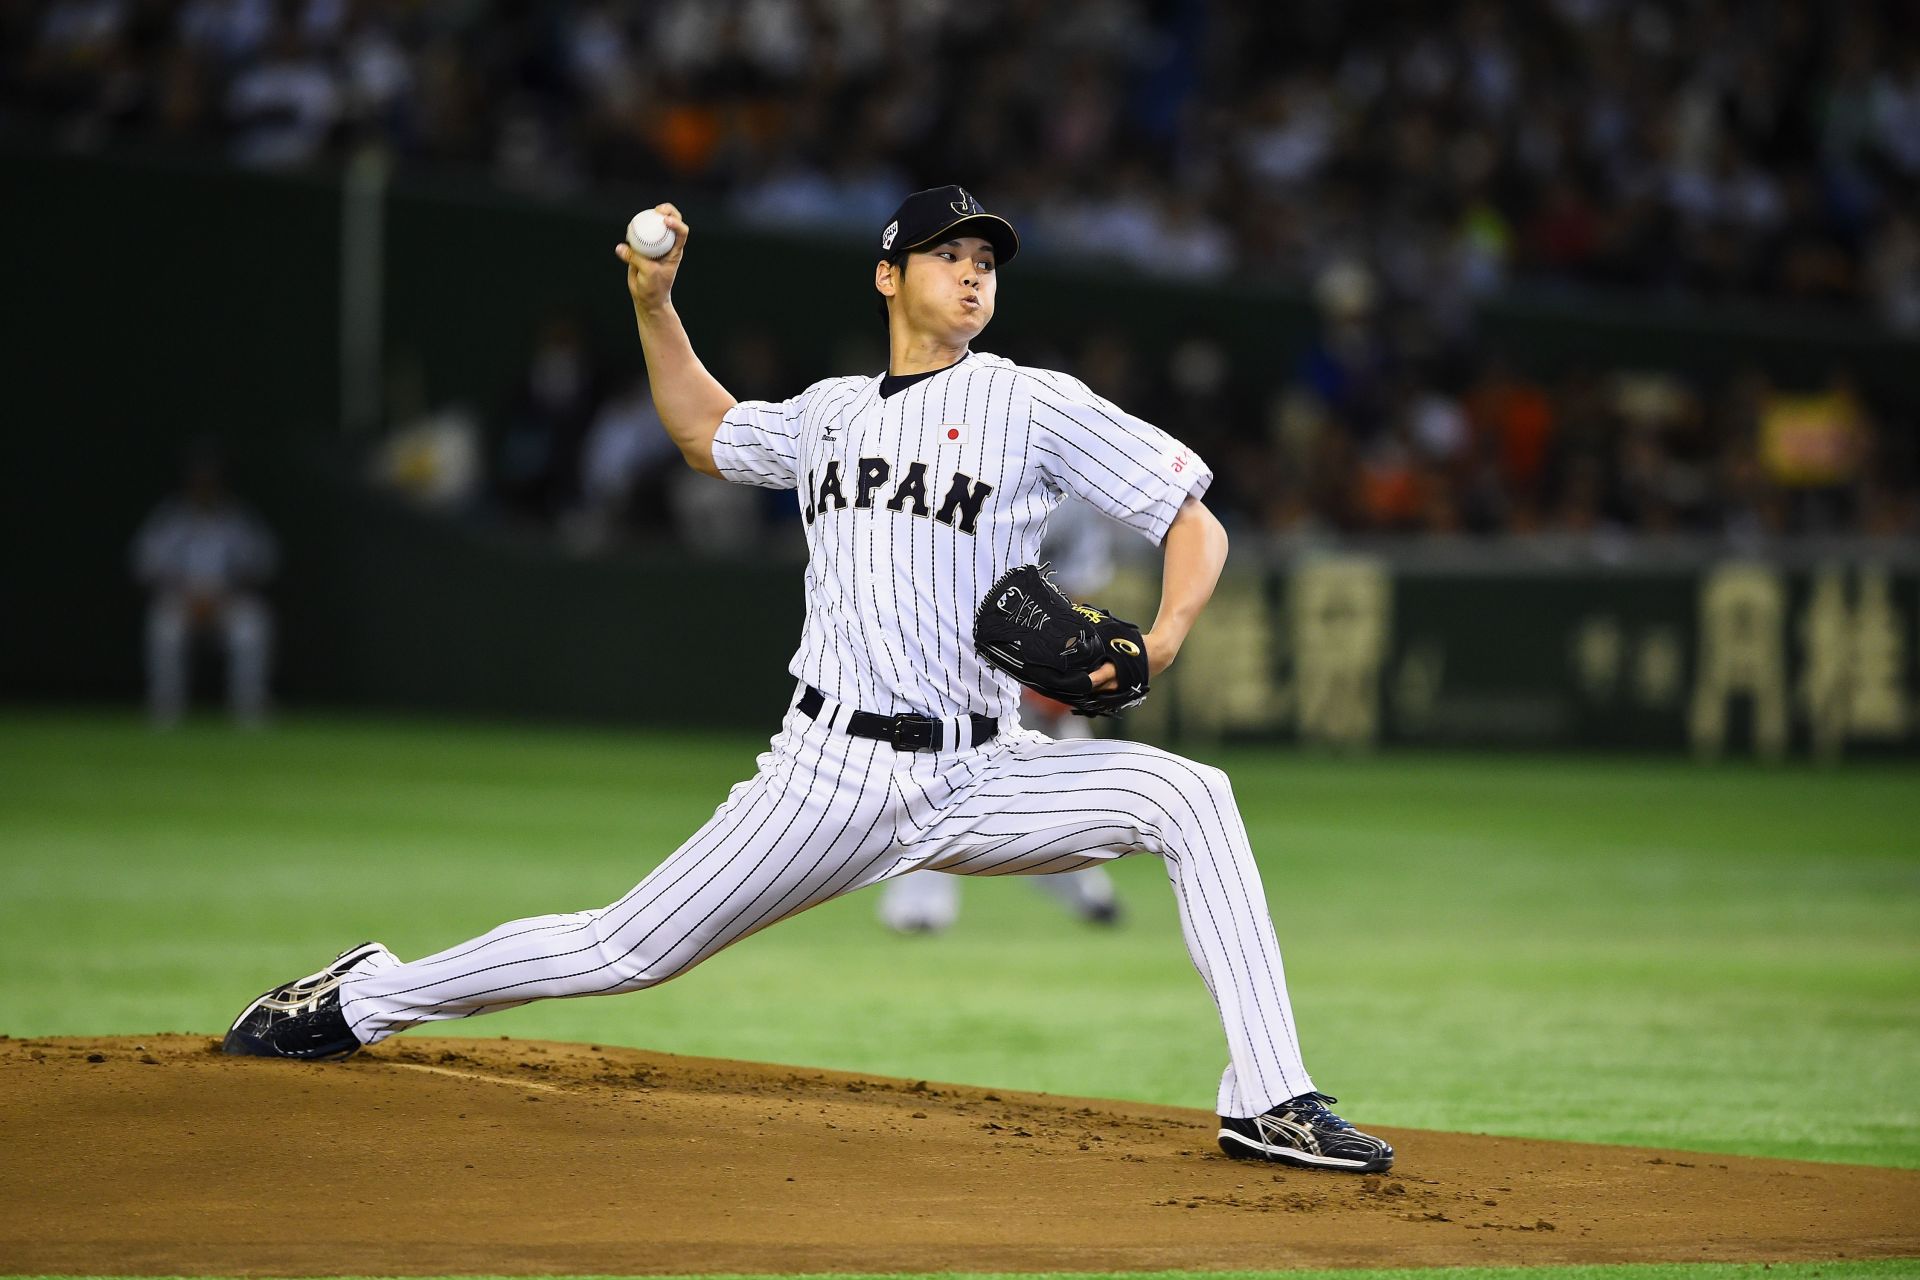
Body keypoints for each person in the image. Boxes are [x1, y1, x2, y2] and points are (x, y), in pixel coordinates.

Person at [223, 186, 1393, 1174]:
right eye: (949, 254)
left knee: (1193, 797)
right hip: (826, 775)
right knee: (623, 949)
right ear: (889, 275)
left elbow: (1192, 516)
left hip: (982, 768)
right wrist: (654, 303)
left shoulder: (1030, 399)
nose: (974, 274)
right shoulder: (831, 416)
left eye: (987, 260)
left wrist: (1169, 635)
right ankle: (364, 995)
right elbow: (705, 431)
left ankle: (1268, 1096)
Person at [877, 498, 1125, 934]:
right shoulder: (965, 478)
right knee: (939, 775)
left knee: (1066, 782)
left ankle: (1083, 889)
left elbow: (1078, 592)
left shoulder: (1074, 503)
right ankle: (919, 907)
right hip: (954, 655)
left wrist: (1059, 670)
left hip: (1034, 649)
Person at [131, 451, 278, 727]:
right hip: (181, 601)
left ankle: (249, 706)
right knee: (164, 625)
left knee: (252, 625)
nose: (204, 488)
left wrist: (222, 596)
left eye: (209, 481)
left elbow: (262, 564)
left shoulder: (237, 519)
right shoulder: (170, 519)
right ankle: (165, 706)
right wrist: (187, 595)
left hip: (226, 602)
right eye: (198, 481)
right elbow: (145, 566)